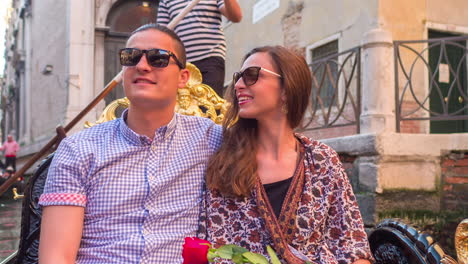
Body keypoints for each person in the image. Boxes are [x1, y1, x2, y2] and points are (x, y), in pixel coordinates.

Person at [38, 24, 222, 264]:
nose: (142, 66)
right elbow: (57, 257)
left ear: (183, 77)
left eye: (158, 58)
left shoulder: (213, 139)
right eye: (131, 57)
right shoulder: (78, 148)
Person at [200, 46, 373, 263]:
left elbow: (353, 245)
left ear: (286, 89)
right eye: (238, 77)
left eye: (252, 75)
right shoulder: (224, 160)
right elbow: (214, 246)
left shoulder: (322, 160)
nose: (238, 85)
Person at [157, 0, 242, 97]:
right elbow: (162, 35)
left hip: (210, 57)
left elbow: (236, 17)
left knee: (210, 104)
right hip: (181, 63)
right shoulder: (165, 1)